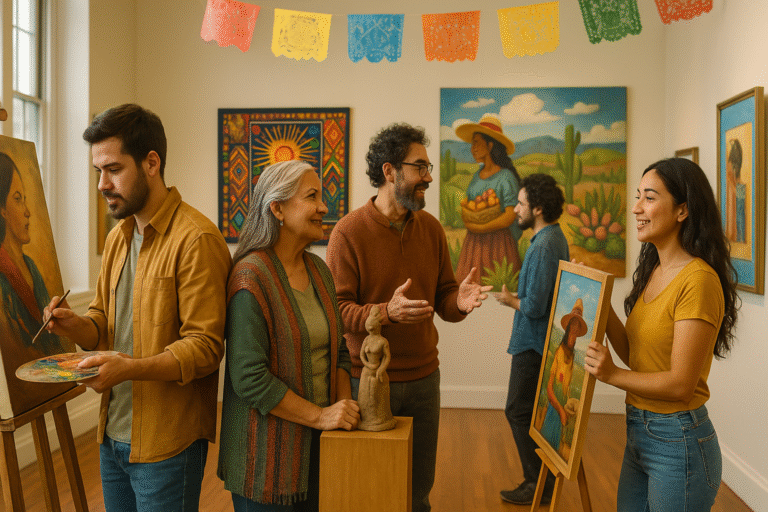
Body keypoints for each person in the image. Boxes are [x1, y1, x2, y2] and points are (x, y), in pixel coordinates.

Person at [44, 104, 232, 512]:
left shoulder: (196, 239)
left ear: (151, 163)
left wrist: (129, 367)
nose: (102, 184)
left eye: (113, 169)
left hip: (168, 445)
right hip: (112, 434)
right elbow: (102, 322)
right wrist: (74, 325)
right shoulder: (119, 237)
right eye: (98, 171)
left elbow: (205, 349)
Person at [326, 122, 492, 512]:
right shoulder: (348, 233)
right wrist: (386, 312)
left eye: (428, 168)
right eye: (420, 167)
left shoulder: (431, 229)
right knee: (371, 488)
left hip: (424, 380)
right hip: (367, 381)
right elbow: (337, 310)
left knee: (418, 491)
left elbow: (444, 298)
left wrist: (459, 303)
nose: (428, 177)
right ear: (389, 171)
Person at [584, 158, 739, 512]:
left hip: (677, 439)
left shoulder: (698, 280)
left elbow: (680, 385)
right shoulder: (653, 269)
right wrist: (598, 297)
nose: (636, 208)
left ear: (683, 210)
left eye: (649, 198)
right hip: (639, 430)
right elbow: (637, 356)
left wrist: (612, 375)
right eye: (638, 196)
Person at [217, 160, 360, 511]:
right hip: (265, 462)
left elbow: (340, 351)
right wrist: (321, 416)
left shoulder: (319, 270)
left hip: (319, 448)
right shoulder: (251, 276)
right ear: (277, 209)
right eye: (312, 197)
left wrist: (341, 415)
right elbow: (249, 378)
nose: (323, 207)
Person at [494, 173, 569, 505]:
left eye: (521, 203)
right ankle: (541, 482)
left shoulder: (543, 245)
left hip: (533, 344)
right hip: (540, 342)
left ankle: (536, 483)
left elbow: (536, 306)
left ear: (537, 208)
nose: (515, 209)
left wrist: (510, 300)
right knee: (525, 412)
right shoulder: (553, 238)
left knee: (517, 411)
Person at [0, 152, 65, 355]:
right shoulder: (2, 275)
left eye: (25, 199)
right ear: (2, 209)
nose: (27, 211)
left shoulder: (31, 267)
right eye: (17, 199)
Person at [454, 113, 522, 284]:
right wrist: (470, 222)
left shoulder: (505, 177)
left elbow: (510, 215)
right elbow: (469, 207)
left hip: (498, 245)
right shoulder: (476, 177)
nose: (473, 148)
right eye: (472, 143)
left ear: (490, 145)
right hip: (474, 245)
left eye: (477, 142)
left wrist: (481, 227)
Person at [539, 299, 587, 453]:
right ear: (568, 326)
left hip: (562, 407)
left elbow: (566, 386)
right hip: (554, 408)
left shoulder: (572, 355)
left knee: (556, 449)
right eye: (573, 324)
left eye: (578, 325)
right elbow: (549, 389)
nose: (575, 328)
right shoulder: (560, 351)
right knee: (549, 446)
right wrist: (560, 410)